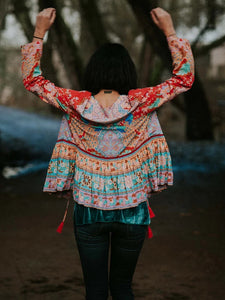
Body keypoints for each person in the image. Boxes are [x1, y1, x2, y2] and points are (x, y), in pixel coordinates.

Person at [21, 7, 194, 300]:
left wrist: (39, 33)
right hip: (133, 211)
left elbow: (33, 81)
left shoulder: (74, 103)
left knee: (96, 291)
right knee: (123, 287)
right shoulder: (142, 102)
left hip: (88, 209)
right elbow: (183, 79)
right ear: (128, 72)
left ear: (93, 71)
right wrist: (169, 31)